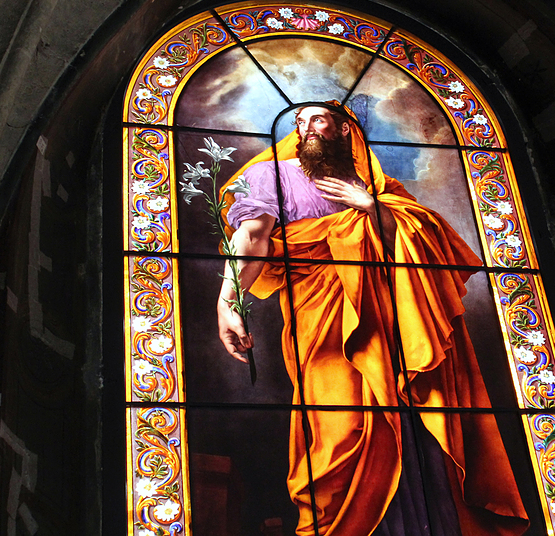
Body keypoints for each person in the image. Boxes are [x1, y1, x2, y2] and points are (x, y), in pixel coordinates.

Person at [215, 102, 528, 536]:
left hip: (394, 323)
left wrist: (371, 206)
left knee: (410, 415)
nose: (306, 129)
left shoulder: (379, 187)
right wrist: (227, 302)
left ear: (345, 130)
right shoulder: (274, 175)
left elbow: (426, 244)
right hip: (322, 320)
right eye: (299, 122)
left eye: (317, 120)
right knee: (339, 424)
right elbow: (251, 237)